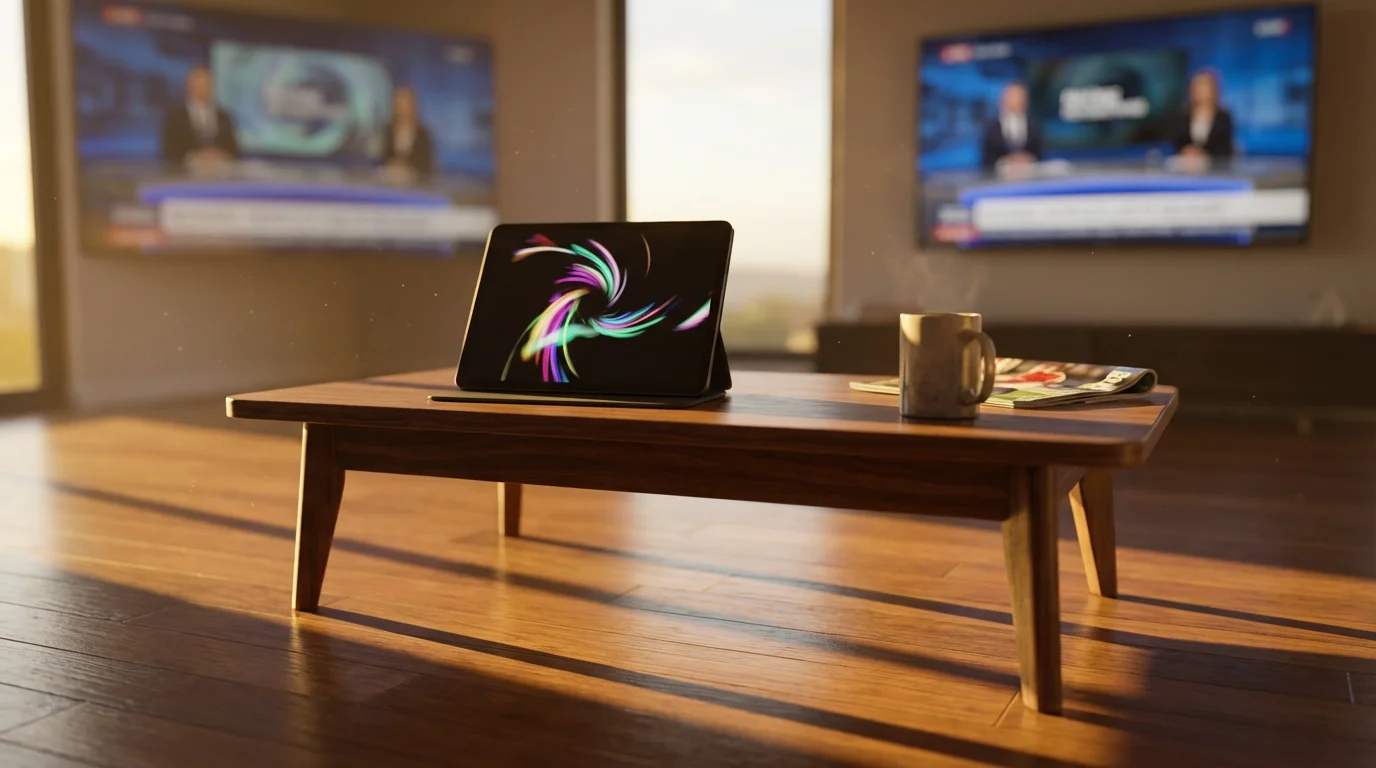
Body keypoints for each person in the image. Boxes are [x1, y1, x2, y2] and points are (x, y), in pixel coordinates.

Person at [160, 66, 239, 170]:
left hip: (220, 176)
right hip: (184, 178)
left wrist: (218, 156)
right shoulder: (175, 117)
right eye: (200, 84)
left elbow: (233, 149)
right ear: (189, 86)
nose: (205, 88)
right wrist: (196, 157)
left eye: (208, 83)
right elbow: (169, 150)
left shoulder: (224, 116)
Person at [980, 82, 1043, 171]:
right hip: (999, 179)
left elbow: (1039, 152)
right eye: (1013, 96)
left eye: (1019, 96)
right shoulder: (992, 128)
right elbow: (987, 159)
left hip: (1029, 177)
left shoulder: (1033, 125)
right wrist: (1005, 162)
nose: (1016, 100)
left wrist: (1026, 159)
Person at [1173, 69, 1234, 160]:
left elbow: (1225, 148)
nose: (1200, 91)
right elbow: (1177, 143)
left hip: (1216, 167)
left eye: (1204, 86)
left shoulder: (1223, 117)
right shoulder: (1182, 115)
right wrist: (1187, 151)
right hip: (1186, 166)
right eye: (1197, 87)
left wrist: (1204, 155)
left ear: (1213, 90)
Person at [378, 87, 435, 179]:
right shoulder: (387, 131)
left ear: (413, 107)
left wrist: (408, 168)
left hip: (415, 186)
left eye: (405, 106)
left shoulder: (423, 134)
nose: (402, 110)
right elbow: (379, 158)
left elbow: (427, 166)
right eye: (399, 106)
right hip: (389, 183)